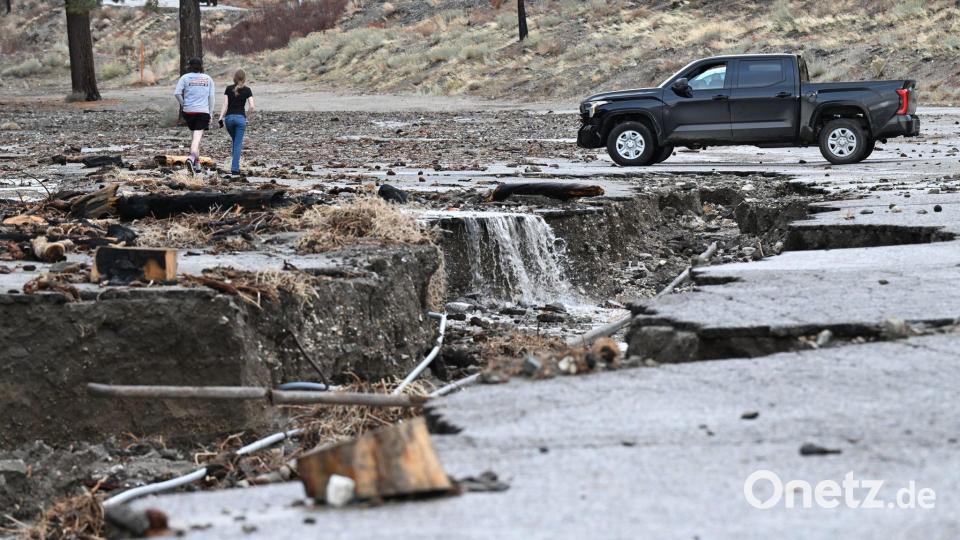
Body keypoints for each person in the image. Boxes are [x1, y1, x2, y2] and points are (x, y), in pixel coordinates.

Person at [173, 57, 215, 174]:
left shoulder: (184, 78)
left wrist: (184, 104)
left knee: (194, 138)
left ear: (189, 67)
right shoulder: (208, 79)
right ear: (201, 66)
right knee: (197, 139)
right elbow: (211, 98)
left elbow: (176, 93)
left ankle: (197, 166)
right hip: (202, 112)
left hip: (189, 112)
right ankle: (191, 158)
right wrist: (210, 113)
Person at [217, 68, 255, 175]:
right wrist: (245, 116)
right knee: (237, 143)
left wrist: (220, 118)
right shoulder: (248, 90)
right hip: (240, 119)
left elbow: (225, 105)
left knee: (235, 141)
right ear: (244, 78)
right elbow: (252, 106)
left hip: (229, 119)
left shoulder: (228, 89)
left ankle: (234, 165)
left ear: (234, 78)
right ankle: (234, 168)